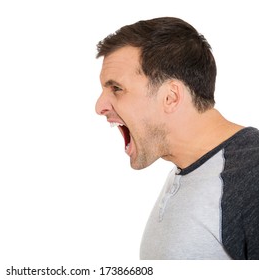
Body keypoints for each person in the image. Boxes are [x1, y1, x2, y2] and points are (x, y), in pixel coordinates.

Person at [95, 17, 259, 260]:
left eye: (117, 88)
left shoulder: (252, 173)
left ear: (171, 97)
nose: (99, 106)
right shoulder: (186, 171)